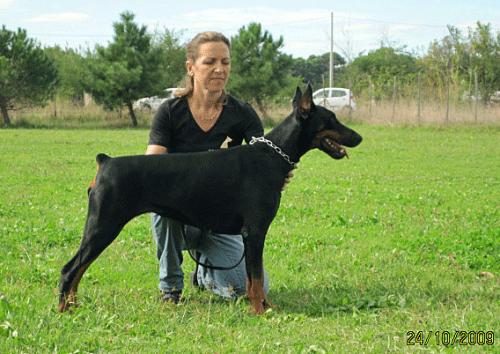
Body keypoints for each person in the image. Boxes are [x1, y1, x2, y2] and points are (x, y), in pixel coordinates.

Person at [146, 31, 293, 303]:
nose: (219, 69)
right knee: (161, 206)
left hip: (224, 218)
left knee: (239, 289)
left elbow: (264, 159)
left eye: (225, 62)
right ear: (191, 67)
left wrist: (276, 175)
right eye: (209, 61)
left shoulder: (242, 113)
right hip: (180, 217)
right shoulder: (169, 111)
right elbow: (151, 167)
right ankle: (171, 288)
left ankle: (202, 275)